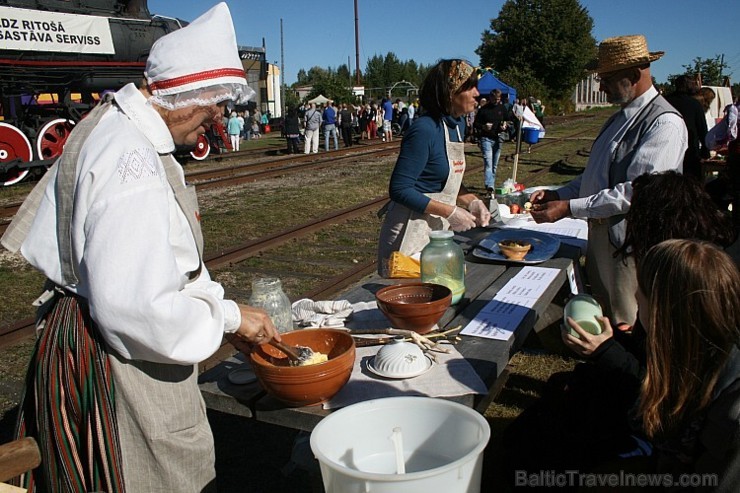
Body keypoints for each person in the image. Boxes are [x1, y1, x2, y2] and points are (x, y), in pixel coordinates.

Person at [0, 4, 281, 491]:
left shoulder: (111, 123)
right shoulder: (130, 161)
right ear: (183, 90)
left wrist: (216, 306)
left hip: (84, 331)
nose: (218, 117)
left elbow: (160, 264)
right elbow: (138, 308)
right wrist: (230, 317)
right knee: (152, 471)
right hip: (118, 362)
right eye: (214, 101)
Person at [529, 34, 688, 327]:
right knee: (605, 315)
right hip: (605, 237)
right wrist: (560, 194)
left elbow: (635, 193)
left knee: (629, 319)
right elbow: (596, 176)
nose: (600, 87)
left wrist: (569, 208)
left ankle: (632, 371)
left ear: (632, 75)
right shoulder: (618, 118)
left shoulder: (664, 122)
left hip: (632, 243)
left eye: (607, 79)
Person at [377, 59, 491, 277]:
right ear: (450, 92)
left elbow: (445, 180)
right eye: (470, 87)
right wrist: (451, 211)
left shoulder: (457, 125)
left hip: (435, 229)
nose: (478, 93)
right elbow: (399, 189)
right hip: (409, 229)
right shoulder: (424, 129)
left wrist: (472, 201)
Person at [664, 74, 710, 179]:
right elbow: (702, 128)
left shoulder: (665, 101)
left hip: (669, 149)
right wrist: (705, 150)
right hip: (690, 150)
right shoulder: (694, 104)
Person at [473, 89, 508, 192]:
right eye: (495, 99)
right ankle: (490, 185)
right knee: (488, 162)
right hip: (486, 138)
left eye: (498, 99)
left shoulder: (502, 108)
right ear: (491, 97)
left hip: (498, 138)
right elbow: (475, 124)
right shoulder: (484, 109)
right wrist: (484, 126)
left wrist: (505, 125)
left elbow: (508, 118)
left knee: (494, 164)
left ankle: (490, 182)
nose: (497, 101)